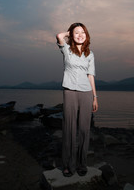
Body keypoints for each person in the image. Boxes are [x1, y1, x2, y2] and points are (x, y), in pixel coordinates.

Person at [56, 22, 98, 177]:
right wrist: (69, 33)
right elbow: (59, 36)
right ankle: (68, 164)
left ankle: (82, 164)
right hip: (70, 92)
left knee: (84, 129)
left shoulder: (90, 54)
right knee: (69, 128)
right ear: (72, 35)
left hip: (86, 92)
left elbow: (91, 76)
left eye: (83, 32)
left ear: (87, 35)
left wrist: (95, 97)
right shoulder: (67, 50)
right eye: (76, 33)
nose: (80, 35)